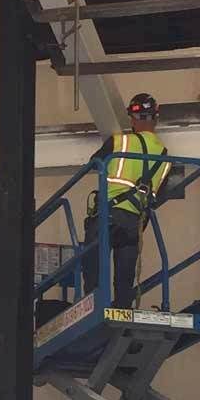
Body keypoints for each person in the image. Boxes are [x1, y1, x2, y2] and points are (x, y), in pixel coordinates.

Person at [81, 92, 171, 310]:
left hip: (107, 216)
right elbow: (159, 195)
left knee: (93, 263)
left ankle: (93, 306)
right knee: (124, 276)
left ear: (132, 118)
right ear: (155, 119)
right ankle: (123, 309)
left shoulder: (119, 141)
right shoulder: (164, 155)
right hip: (135, 222)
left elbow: (94, 164)